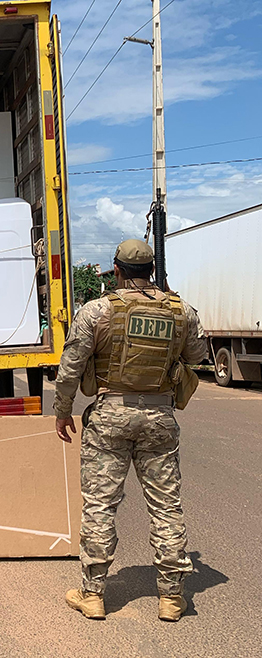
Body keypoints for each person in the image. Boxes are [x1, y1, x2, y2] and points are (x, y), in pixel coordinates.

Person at [54, 239, 208, 622]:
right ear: (153, 270)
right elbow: (197, 356)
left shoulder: (97, 311)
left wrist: (62, 412)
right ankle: (171, 597)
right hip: (159, 418)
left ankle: (93, 595)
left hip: (110, 416)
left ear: (117, 270)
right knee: (165, 506)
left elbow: (71, 367)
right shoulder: (182, 311)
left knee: (100, 505)